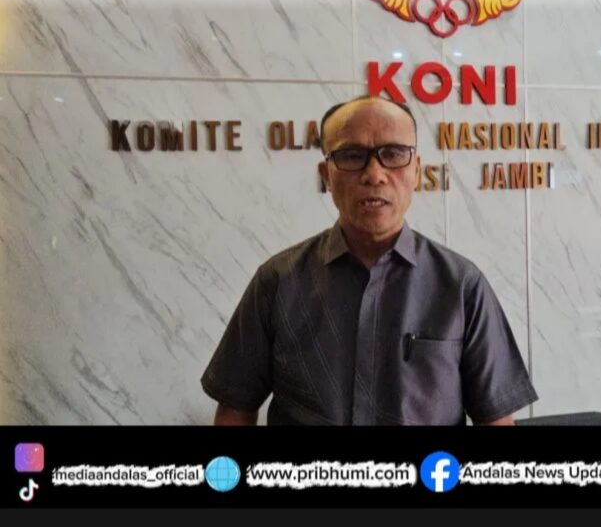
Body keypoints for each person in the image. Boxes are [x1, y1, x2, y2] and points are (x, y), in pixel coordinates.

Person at [201, 95, 537, 425]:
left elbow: (495, 419)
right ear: (326, 175)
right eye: (351, 155)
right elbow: (235, 408)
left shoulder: (462, 285)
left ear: (417, 171)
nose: (374, 175)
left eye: (393, 154)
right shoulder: (277, 281)